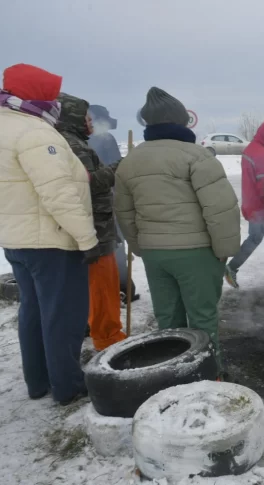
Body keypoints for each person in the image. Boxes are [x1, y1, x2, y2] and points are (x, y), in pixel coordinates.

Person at [114, 87, 241, 372]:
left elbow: (124, 212)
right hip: (196, 253)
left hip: (155, 254)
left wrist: (139, 246)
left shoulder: (130, 161)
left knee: (168, 320)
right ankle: (209, 376)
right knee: (202, 319)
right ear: (181, 122)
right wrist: (225, 251)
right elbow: (220, 209)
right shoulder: (196, 156)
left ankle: (171, 377)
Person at [0, 63, 98, 405]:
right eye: (51, 94)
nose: (56, 101)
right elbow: (57, 192)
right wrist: (85, 238)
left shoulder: (5, 126)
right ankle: (69, 386)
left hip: (17, 239)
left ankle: (38, 381)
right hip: (51, 240)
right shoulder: (35, 133)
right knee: (63, 315)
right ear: (38, 95)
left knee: (33, 311)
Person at [56, 93, 126, 351]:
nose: (91, 122)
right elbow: (92, 184)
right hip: (95, 227)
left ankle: (98, 327)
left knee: (93, 286)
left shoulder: (66, 141)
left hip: (88, 226)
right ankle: (109, 339)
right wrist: (119, 167)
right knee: (102, 286)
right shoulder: (74, 146)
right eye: (87, 117)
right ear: (74, 117)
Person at [88, 104, 140, 303]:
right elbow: (116, 169)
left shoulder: (77, 140)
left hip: (91, 203)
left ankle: (121, 289)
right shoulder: (105, 139)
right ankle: (124, 289)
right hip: (107, 201)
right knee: (116, 246)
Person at [224, 119, 264, 289]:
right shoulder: (262, 156)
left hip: (253, 207)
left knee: (258, 239)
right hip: (263, 210)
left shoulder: (252, 149)